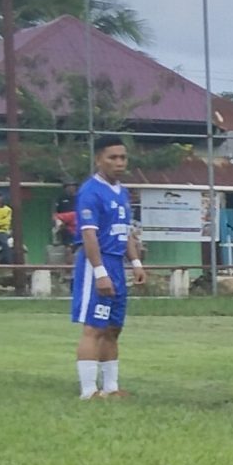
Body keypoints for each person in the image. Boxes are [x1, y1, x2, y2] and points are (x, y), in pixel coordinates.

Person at [73, 135, 144, 400]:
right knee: (94, 327)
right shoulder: (90, 192)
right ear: (98, 159)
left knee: (113, 327)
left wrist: (135, 262)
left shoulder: (123, 192)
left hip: (117, 264)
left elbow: (125, 233)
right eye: (112, 157)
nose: (119, 163)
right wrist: (100, 273)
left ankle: (111, 387)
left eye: (123, 157)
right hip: (98, 264)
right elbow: (89, 236)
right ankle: (89, 390)